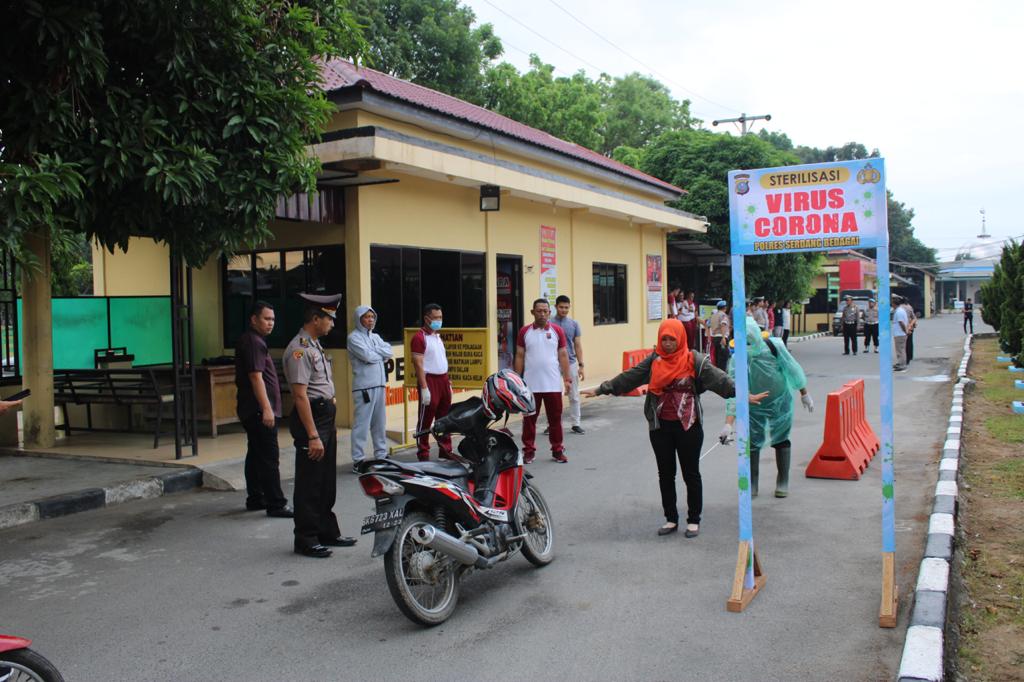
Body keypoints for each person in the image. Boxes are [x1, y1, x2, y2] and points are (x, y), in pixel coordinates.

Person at [581, 319, 767, 537]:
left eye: (672, 339)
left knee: (691, 473)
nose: (668, 343)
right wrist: (602, 389)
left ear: (680, 339)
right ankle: (670, 519)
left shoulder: (693, 359)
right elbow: (630, 377)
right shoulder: (654, 360)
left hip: (689, 426)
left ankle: (693, 520)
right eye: (664, 339)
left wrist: (743, 394)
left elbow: (720, 379)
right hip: (660, 426)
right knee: (665, 474)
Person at [283, 293, 356, 558]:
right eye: (329, 319)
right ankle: (306, 537)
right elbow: (300, 395)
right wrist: (313, 435)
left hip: (324, 416)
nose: (332, 324)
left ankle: (326, 531)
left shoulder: (314, 345)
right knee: (310, 482)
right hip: (312, 420)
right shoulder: (299, 349)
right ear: (316, 319)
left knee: (325, 480)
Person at [722, 318, 814, 498]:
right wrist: (728, 424)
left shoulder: (774, 347)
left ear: (756, 336)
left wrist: (804, 393)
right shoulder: (737, 358)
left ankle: (783, 481)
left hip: (780, 402)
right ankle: (753, 483)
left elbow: (792, 369)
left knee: (781, 439)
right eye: (744, 343)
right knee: (753, 442)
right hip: (754, 405)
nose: (747, 346)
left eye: (750, 341)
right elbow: (734, 391)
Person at [235, 300, 291, 517]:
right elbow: (255, 377)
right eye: (266, 319)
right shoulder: (253, 342)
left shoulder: (254, 340)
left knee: (256, 454)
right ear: (254, 319)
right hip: (259, 410)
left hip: (253, 409)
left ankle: (256, 497)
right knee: (269, 456)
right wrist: (267, 409)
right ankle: (276, 503)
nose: (271, 323)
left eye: (273, 319)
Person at [515, 298, 572, 463]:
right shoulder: (524, 332)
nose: (542, 314)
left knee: (555, 419)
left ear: (549, 312)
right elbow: (519, 356)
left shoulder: (557, 331)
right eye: (538, 311)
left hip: (552, 383)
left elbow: (563, 355)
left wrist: (567, 379)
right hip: (531, 384)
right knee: (529, 420)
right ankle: (529, 451)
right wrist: (517, 380)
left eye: (545, 311)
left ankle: (557, 450)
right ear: (532, 312)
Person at [347, 305, 393, 467]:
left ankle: (381, 454)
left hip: (379, 384)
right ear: (359, 319)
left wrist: (377, 352)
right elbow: (367, 356)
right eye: (366, 317)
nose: (370, 320)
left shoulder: (376, 337)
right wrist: (380, 354)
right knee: (362, 424)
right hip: (364, 387)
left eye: (372, 317)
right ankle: (358, 459)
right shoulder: (353, 338)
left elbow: (389, 351)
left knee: (380, 422)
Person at [411, 303, 453, 461]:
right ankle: (423, 454)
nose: (439, 320)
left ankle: (445, 451)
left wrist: (448, 382)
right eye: (436, 318)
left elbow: (441, 360)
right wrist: (424, 387)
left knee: (444, 418)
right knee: (426, 420)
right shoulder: (419, 337)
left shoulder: (437, 336)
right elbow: (418, 364)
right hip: (429, 380)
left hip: (443, 379)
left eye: (441, 317)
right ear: (426, 319)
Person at [552, 295, 585, 434]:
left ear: (569, 307)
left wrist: (581, 365)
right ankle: (552, 424)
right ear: (556, 307)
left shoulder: (574, 324)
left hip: (570, 363)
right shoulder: (548, 323)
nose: (564, 310)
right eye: (561, 307)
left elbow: (577, 345)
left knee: (574, 395)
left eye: (566, 307)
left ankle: (575, 423)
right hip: (552, 364)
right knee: (553, 396)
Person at [708, 300, 730, 372]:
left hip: (714, 338)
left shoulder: (713, 316)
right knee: (723, 358)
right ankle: (722, 375)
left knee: (717, 358)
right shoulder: (723, 315)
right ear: (724, 308)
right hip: (721, 338)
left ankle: (717, 375)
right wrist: (723, 338)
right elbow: (723, 325)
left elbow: (708, 326)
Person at [893, 297, 909, 371]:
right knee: (900, 349)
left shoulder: (899, 312)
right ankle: (900, 363)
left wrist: (905, 331)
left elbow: (901, 322)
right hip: (900, 333)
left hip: (900, 333)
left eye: (892, 304)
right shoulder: (901, 310)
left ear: (894, 304)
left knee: (900, 350)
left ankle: (902, 365)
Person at [902, 299, 918, 364]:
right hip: (910, 327)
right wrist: (912, 324)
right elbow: (914, 317)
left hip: (904, 327)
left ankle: (906, 358)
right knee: (909, 342)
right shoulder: (910, 307)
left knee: (904, 343)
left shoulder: (901, 308)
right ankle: (910, 356)